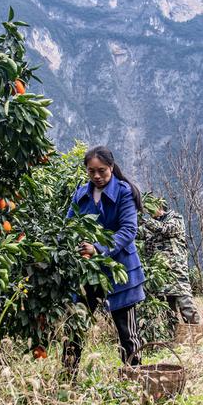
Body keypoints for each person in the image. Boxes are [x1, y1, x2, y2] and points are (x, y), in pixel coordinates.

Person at [64, 146, 145, 371]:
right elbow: (68, 226)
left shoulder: (123, 192)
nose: (97, 176)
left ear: (111, 167)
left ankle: (135, 377)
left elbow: (128, 230)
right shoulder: (81, 194)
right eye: (91, 171)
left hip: (120, 269)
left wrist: (98, 249)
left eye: (102, 171)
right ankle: (67, 377)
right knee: (76, 325)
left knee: (127, 331)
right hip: (88, 271)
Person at [138, 198, 202, 325]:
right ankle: (172, 334)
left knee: (185, 303)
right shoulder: (150, 225)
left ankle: (199, 332)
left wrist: (146, 221)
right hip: (160, 274)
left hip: (176, 271)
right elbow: (137, 234)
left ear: (160, 207)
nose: (149, 212)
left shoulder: (175, 218)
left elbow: (167, 229)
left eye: (151, 208)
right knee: (166, 307)